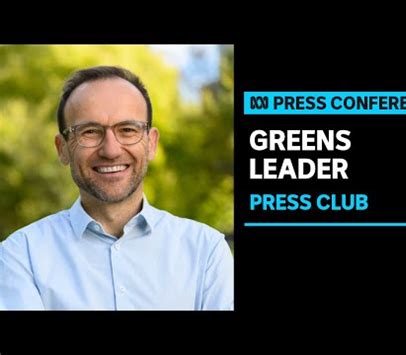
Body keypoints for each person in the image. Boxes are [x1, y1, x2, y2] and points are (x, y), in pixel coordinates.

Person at [0, 66, 234, 310]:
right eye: (89, 132)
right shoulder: (21, 256)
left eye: (128, 130)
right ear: (62, 148)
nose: (111, 150)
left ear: (151, 143)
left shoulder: (205, 252)